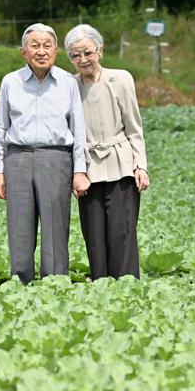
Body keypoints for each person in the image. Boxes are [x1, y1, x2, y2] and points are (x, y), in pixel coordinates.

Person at [0, 23, 90, 284]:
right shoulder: (10, 82)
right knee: (19, 227)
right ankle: (20, 281)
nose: (41, 51)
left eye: (47, 46)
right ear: (24, 52)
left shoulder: (68, 83)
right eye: (35, 46)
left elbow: (78, 130)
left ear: (56, 51)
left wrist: (80, 170)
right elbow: (0, 129)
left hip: (56, 159)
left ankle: (54, 282)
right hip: (18, 159)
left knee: (55, 226)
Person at [64, 24, 149, 280]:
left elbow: (134, 127)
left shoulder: (121, 78)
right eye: (75, 55)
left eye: (87, 53)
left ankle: (126, 285)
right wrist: (74, 171)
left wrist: (140, 165)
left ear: (99, 51)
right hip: (87, 167)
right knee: (94, 233)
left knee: (122, 231)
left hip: (121, 162)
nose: (82, 60)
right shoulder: (69, 85)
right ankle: (100, 286)